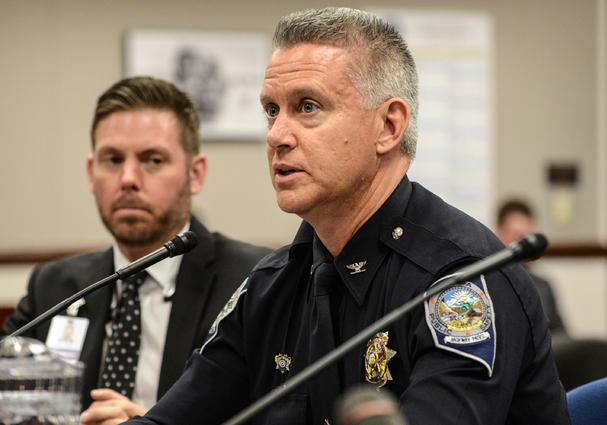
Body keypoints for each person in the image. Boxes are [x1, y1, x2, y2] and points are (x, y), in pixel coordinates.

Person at [124, 8, 569, 425]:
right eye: (272, 110)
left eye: (307, 107)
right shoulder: (272, 284)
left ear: (388, 127)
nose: (277, 135)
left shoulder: (460, 281)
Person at [1, 77, 273, 423]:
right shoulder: (53, 286)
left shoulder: (253, 280)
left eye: (153, 160)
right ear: (91, 173)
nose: (128, 179)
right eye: (113, 160)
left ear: (195, 174)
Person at [494, 199, 567, 336]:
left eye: (528, 239)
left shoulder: (542, 286)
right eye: (516, 237)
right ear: (498, 231)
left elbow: (561, 335)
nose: (524, 246)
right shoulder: (485, 282)